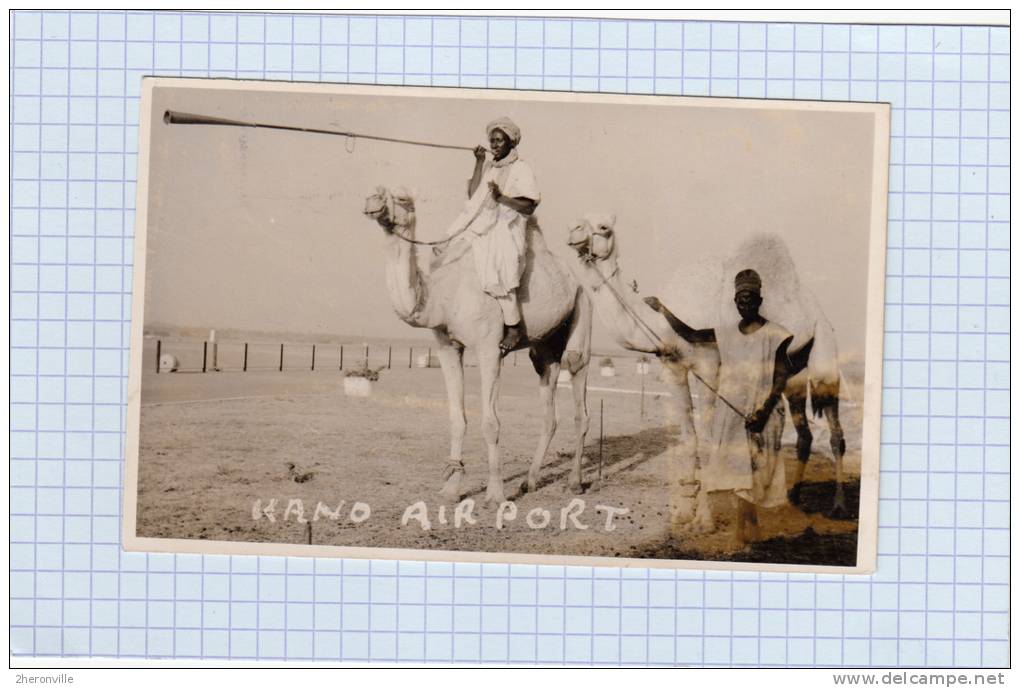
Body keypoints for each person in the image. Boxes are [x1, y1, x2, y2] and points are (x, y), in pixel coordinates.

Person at [644, 269, 813, 545]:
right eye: (740, 300)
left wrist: (763, 411)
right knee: (738, 475)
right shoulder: (725, 333)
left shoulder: (776, 334)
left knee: (755, 475)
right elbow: (691, 334)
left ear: (759, 299)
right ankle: (747, 533)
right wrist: (663, 310)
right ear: (735, 301)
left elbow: (780, 377)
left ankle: (748, 532)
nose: (745, 305)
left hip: (764, 413)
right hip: (732, 414)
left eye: (750, 299)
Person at [446, 117, 539, 355]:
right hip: (483, 222)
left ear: (511, 143)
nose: (494, 145)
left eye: (499, 141)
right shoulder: (489, 166)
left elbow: (528, 206)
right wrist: (479, 162)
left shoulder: (521, 168)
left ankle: (513, 325)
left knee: (499, 262)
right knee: (452, 246)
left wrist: (501, 199)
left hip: (508, 227)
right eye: (492, 140)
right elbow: (473, 194)